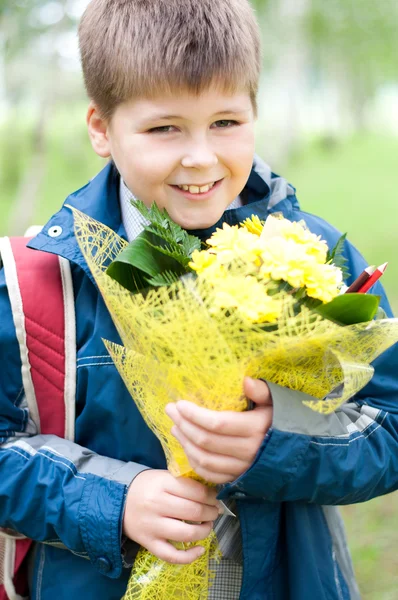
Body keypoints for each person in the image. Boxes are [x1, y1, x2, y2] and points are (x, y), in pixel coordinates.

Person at [1, 0, 398, 598]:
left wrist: (280, 438)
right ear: (102, 129)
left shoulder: (316, 258)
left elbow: (387, 424)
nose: (201, 157)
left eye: (226, 122)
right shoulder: (37, 280)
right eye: (164, 128)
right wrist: (114, 502)